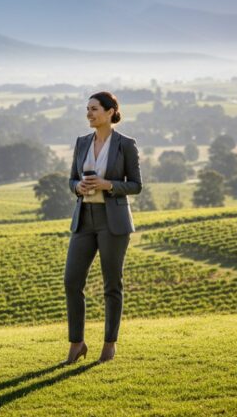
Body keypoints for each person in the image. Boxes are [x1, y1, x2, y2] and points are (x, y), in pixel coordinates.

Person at [63, 91, 142, 365]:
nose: (89, 113)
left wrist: (108, 185)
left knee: (112, 285)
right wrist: (78, 186)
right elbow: (71, 179)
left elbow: (136, 185)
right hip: (84, 220)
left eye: (94, 108)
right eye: (87, 109)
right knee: (71, 281)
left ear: (110, 112)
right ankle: (77, 343)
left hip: (113, 222)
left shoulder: (126, 145)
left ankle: (109, 344)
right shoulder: (82, 142)